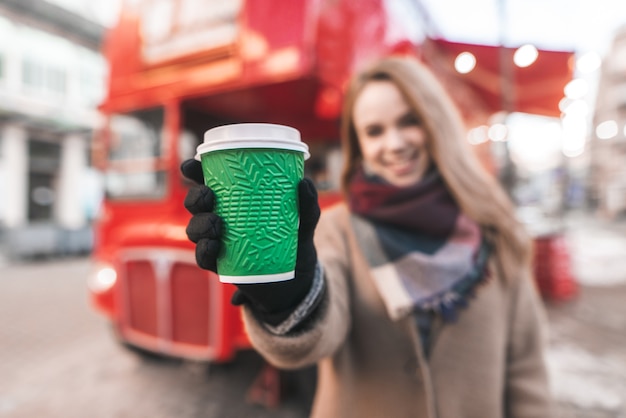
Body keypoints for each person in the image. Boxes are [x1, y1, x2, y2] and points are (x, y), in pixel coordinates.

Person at [181, 56, 553, 418]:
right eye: (374, 131)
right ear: (360, 145)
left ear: (437, 123)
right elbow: (316, 338)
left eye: (409, 122)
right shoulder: (337, 228)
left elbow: (525, 371)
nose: (393, 144)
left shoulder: (495, 230)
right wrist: (285, 297)